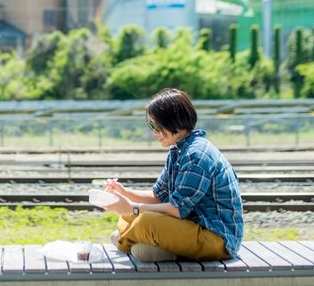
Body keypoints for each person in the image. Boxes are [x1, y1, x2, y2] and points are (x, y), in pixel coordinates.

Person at [103, 88, 243, 262]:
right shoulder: (178, 150)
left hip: (218, 239)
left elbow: (177, 209)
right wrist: (123, 192)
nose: (154, 132)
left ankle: (125, 242)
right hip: (193, 226)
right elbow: (157, 196)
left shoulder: (196, 156)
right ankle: (158, 246)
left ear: (172, 121)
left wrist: (133, 207)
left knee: (144, 222)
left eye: (156, 125)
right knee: (128, 217)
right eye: (151, 126)